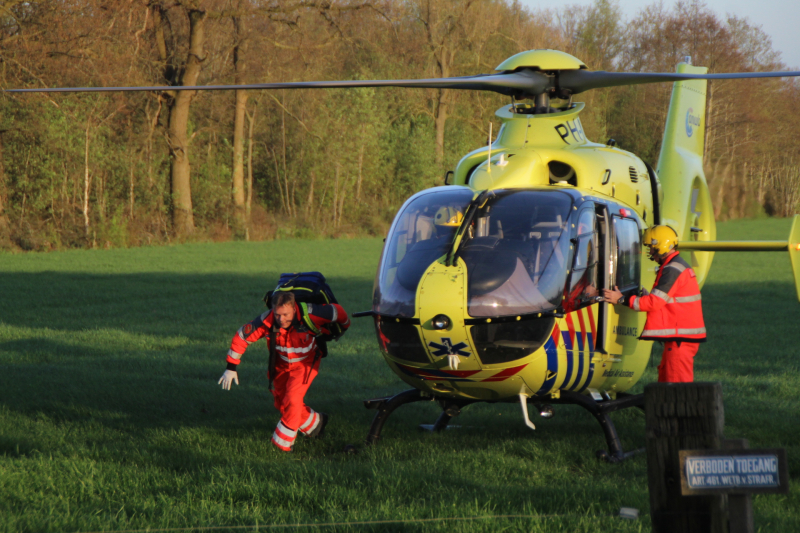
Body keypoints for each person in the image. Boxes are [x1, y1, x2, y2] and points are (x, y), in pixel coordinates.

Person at [218, 291, 350, 452]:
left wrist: (343, 327)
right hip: (280, 366)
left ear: (294, 309)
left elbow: (337, 311)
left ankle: (281, 445)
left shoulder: (312, 313)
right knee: (282, 402)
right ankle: (316, 424)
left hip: (305, 364)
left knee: (293, 399)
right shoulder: (266, 320)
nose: (281, 319)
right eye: (277, 314)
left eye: (285, 314)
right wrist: (231, 368)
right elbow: (242, 337)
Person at [602, 225, 705, 382]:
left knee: (676, 384)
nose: (650, 252)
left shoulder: (672, 269)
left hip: (679, 339)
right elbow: (664, 300)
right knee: (667, 380)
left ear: (661, 245)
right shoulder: (675, 266)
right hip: (679, 338)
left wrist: (621, 299)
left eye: (651, 247)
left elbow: (654, 303)